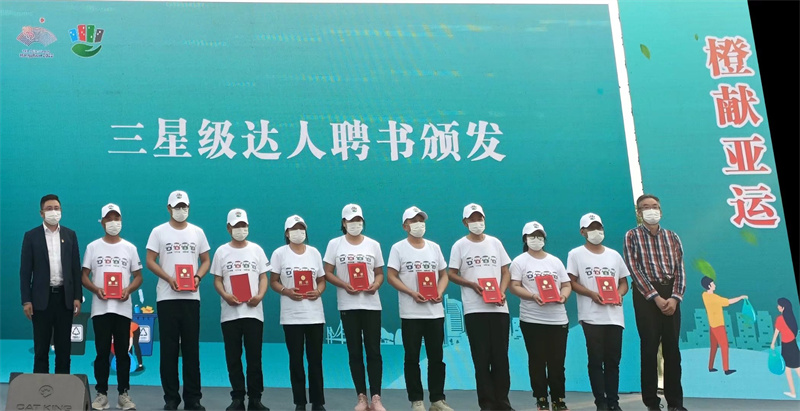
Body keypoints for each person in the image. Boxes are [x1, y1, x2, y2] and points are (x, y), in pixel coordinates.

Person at [146, 190, 211, 410]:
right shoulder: (158, 232)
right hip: (167, 297)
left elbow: (205, 260)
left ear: (189, 208)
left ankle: (193, 398)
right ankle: (171, 398)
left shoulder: (197, 232)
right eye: (177, 207)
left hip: (191, 297)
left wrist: (197, 277)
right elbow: (150, 260)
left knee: (191, 349)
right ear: (169, 208)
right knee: (169, 350)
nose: (181, 210)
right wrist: (168, 278)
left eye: (184, 207)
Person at [622, 194, 687, 411]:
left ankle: (675, 403)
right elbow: (634, 269)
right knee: (649, 349)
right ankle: (652, 402)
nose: (651, 210)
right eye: (646, 207)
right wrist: (656, 297)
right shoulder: (632, 236)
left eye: (655, 206)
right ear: (639, 212)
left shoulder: (672, 237)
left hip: (671, 295)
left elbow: (680, 270)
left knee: (672, 350)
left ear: (661, 210)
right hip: (646, 295)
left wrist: (675, 298)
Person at [386, 206, 454, 411]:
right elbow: (391, 276)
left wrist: (439, 291)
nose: (418, 225)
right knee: (412, 358)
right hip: (411, 313)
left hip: (435, 312)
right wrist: (411, 292)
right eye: (413, 221)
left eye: (421, 221)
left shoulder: (434, 247)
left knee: (436, 358)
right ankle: (416, 400)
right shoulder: (398, 248)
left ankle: (437, 400)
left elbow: (444, 274)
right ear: (405, 226)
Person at [447, 203, 513, 411]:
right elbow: (451, 274)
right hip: (475, 309)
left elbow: (506, 271)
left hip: (499, 309)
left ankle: (503, 402)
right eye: (472, 219)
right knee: (481, 358)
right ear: (465, 222)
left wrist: (502, 291)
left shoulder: (495, 243)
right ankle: (487, 404)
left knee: (501, 358)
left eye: (480, 218)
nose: (477, 222)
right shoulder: (459, 245)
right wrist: (471, 284)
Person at [323, 204, 386, 411]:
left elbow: (379, 273)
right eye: (351, 220)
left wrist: (376, 285)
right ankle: (361, 398)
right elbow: (327, 272)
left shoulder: (373, 245)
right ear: (344, 223)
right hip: (348, 304)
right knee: (355, 352)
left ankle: (376, 398)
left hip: (371, 305)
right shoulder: (335, 244)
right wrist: (344, 284)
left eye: (358, 220)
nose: (355, 224)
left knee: (374, 351)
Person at [81, 203, 143, 410]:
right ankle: (102, 394)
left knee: (123, 353)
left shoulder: (130, 248)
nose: (113, 223)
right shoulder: (93, 247)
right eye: (109, 219)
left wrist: (128, 290)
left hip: (123, 309)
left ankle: (123, 394)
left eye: (117, 218)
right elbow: (84, 276)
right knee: (101, 353)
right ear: (102, 223)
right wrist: (96, 289)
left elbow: (138, 277)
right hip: (100, 309)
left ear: (121, 221)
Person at [567, 213, 630, 411]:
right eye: (591, 228)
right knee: (595, 360)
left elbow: (624, 283)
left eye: (599, 227)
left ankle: (613, 402)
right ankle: (600, 402)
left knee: (613, 361)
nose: (596, 231)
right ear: (582, 232)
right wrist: (591, 294)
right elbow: (571, 282)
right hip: (591, 316)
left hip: (614, 317)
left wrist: (619, 294)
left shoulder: (614, 255)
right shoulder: (575, 254)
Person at [211, 208, 270, 411]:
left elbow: (263, 277)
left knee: (254, 358)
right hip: (230, 314)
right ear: (229, 228)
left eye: (243, 225)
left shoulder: (256, 250)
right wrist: (225, 295)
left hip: (254, 313)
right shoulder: (221, 251)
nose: (240, 229)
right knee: (233, 357)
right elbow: (217, 280)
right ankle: (237, 398)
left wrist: (260, 296)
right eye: (236, 226)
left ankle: (255, 398)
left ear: (248, 227)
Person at [508, 221, 571, 411]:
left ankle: (559, 399)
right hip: (532, 319)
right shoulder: (519, 261)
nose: (536, 239)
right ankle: (541, 399)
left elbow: (566, 284)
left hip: (558, 319)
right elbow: (514, 286)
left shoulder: (555, 261)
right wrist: (533, 296)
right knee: (537, 360)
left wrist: (563, 296)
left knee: (557, 362)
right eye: (532, 236)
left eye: (539, 236)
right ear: (525, 239)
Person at [19, 194, 82, 374]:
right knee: (41, 349)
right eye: (49, 209)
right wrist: (26, 300)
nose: (53, 212)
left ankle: (62, 387)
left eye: (56, 208)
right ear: (41, 213)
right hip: (40, 301)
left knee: (64, 349)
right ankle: (41, 387)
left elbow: (75, 269)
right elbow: (25, 272)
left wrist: (77, 297)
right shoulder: (31, 236)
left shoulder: (70, 235)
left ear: (61, 211)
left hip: (64, 299)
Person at [270, 215, 327, 411]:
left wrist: (318, 291)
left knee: (315, 360)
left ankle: (318, 402)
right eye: (294, 229)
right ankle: (300, 402)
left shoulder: (314, 253)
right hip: (291, 316)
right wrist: (286, 291)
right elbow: (273, 281)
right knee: (296, 360)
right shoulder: (279, 253)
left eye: (301, 228)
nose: (298, 232)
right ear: (287, 233)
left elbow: (321, 280)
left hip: (314, 315)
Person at [699, 276, 747, 376]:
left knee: (714, 347)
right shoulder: (714, 298)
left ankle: (710, 367)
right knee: (724, 346)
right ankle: (726, 369)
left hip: (712, 325)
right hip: (718, 326)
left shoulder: (704, 295)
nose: (714, 285)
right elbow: (729, 302)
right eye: (713, 284)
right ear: (709, 286)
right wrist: (741, 297)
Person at [771, 298, 800, 398]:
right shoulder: (791, 318)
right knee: (797, 368)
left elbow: (776, 332)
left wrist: (772, 343)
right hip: (793, 345)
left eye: (779, 305)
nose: (777, 307)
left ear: (783, 307)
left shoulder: (780, 319)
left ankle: (793, 392)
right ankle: (793, 392)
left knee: (788, 369)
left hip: (786, 346)